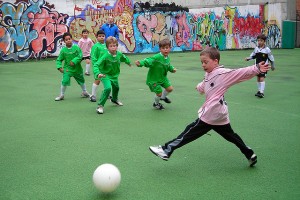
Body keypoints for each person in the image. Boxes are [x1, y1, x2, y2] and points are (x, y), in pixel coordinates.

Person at [149, 47, 270, 167]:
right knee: (231, 136)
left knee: (190, 131)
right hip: (220, 113)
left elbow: (239, 73)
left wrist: (256, 68)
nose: (203, 65)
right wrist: (200, 87)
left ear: (215, 61)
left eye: (205, 62)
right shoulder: (209, 73)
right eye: (202, 62)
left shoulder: (222, 73)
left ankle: (166, 150)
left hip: (212, 112)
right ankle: (250, 154)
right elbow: (206, 84)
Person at [93, 36, 131, 114]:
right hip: (105, 75)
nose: (113, 48)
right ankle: (100, 106)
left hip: (114, 75)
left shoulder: (119, 54)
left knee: (116, 88)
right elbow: (96, 64)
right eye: (111, 46)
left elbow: (124, 58)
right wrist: (98, 73)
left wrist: (128, 62)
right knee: (108, 88)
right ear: (107, 47)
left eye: (114, 46)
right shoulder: (105, 56)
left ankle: (114, 99)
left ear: (117, 46)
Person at [135, 38, 176, 110]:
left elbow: (168, 65)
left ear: (170, 48)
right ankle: (156, 104)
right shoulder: (157, 57)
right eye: (163, 48)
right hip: (153, 80)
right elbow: (148, 60)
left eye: (167, 48)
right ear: (160, 49)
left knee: (170, 89)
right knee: (159, 92)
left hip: (162, 78)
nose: (165, 50)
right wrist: (140, 63)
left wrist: (172, 69)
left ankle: (163, 98)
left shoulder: (167, 57)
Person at [55, 32, 90, 101]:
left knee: (81, 80)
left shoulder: (76, 48)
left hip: (77, 68)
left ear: (72, 39)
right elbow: (59, 60)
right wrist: (59, 67)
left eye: (69, 39)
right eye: (66, 39)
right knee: (65, 80)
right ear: (64, 41)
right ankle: (61, 95)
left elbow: (80, 55)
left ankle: (84, 91)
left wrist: (74, 61)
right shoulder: (63, 51)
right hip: (68, 69)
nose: (68, 40)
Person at [245, 34, 275, 98]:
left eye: (261, 41)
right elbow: (253, 55)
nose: (259, 42)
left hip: (264, 67)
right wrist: (249, 58)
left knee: (262, 78)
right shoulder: (256, 49)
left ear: (264, 41)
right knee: (258, 78)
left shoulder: (267, 49)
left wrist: (272, 65)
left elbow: (271, 57)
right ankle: (259, 91)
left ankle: (262, 92)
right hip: (257, 66)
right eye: (258, 40)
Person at [89, 30, 107, 102]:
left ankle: (108, 94)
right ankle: (93, 95)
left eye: (103, 36)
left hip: (106, 67)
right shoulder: (95, 46)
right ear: (97, 37)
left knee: (108, 80)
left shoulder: (107, 45)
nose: (101, 37)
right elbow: (93, 57)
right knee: (97, 80)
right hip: (98, 67)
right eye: (100, 36)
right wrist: (96, 66)